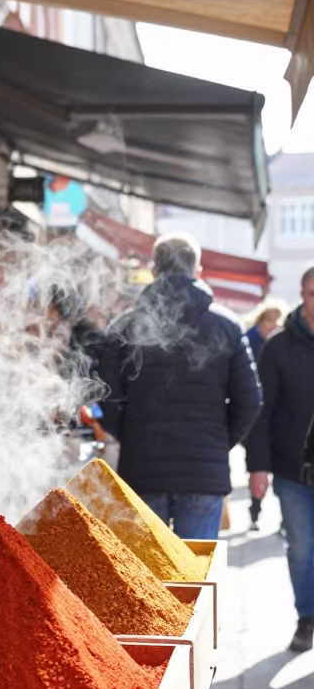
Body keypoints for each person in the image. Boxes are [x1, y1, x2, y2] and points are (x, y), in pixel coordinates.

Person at [98, 233, 262, 539]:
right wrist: (216, 441)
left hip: (143, 470)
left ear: (154, 272)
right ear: (198, 271)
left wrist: (132, 434)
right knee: (193, 580)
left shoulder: (125, 326)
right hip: (203, 473)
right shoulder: (227, 326)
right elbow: (250, 401)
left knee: (147, 581)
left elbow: (105, 398)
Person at [247, 267, 314, 653]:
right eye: (310, 292)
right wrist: (258, 466)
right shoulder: (279, 347)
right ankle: (306, 617)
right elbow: (262, 411)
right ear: (301, 294)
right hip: (293, 471)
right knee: (302, 550)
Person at [244, 299, 286, 529]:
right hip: (258, 411)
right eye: (270, 319)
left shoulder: (283, 344)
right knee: (258, 466)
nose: (274, 324)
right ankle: (254, 512)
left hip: (280, 419)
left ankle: (285, 521)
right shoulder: (250, 340)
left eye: (277, 320)